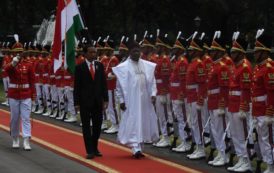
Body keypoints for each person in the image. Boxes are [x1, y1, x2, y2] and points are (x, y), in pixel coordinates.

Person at [113, 41, 159, 158]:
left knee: (142, 122)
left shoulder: (146, 65)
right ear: (129, 52)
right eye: (134, 51)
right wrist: (122, 101)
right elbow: (119, 87)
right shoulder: (123, 68)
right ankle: (135, 148)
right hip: (131, 101)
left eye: (138, 51)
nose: (137, 53)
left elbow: (152, 81)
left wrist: (153, 94)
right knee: (133, 122)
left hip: (144, 101)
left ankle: (140, 147)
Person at [74, 45, 108, 159]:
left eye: (95, 52)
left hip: (98, 101)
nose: (94, 54)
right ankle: (89, 150)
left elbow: (103, 83)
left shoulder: (99, 65)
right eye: (91, 52)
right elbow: (77, 87)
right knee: (86, 127)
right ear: (85, 54)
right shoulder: (80, 67)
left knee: (97, 126)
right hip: (85, 102)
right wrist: (76, 103)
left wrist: (106, 99)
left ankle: (95, 146)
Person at [5, 34, 36, 150]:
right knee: (14, 118)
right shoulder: (11, 65)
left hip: (26, 94)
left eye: (20, 52)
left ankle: (26, 140)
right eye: (16, 52)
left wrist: (33, 95)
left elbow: (32, 81)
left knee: (26, 117)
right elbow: (6, 70)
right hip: (14, 95)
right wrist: (14, 62)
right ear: (13, 53)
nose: (18, 54)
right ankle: (15, 138)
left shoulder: (28, 65)